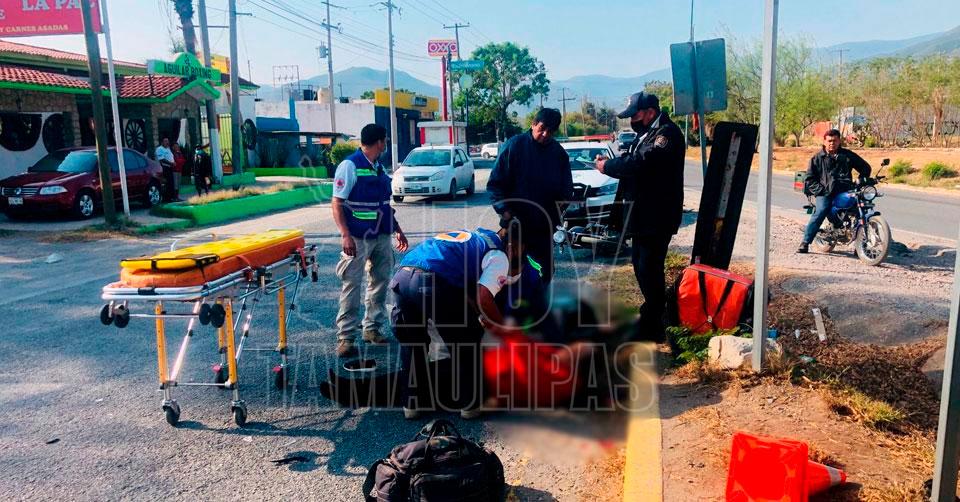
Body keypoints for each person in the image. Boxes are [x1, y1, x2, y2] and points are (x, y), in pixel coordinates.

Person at [390, 222, 542, 420]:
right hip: (433, 280)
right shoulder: (500, 256)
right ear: (515, 247)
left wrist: (481, 315)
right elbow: (484, 297)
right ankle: (471, 405)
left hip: (403, 276)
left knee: (412, 343)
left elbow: (466, 291)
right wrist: (502, 328)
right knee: (466, 342)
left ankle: (412, 404)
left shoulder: (477, 239)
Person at [594, 91, 685, 343]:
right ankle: (652, 319)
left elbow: (640, 164)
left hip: (657, 216)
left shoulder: (666, 135)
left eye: (635, 115)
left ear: (650, 112)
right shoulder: (646, 134)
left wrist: (607, 167)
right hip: (642, 215)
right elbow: (632, 160)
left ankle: (654, 325)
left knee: (649, 269)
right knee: (642, 268)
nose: (631, 120)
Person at [332, 124, 409, 358]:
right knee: (352, 284)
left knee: (380, 282)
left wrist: (397, 229)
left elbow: (384, 205)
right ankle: (346, 338)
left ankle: (372, 329)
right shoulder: (350, 166)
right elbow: (337, 203)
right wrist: (345, 235)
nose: (385, 144)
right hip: (357, 237)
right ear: (379, 142)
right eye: (384, 140)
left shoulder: (378, 167)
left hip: (381, 235)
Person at [487, 107, 572, 284]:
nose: (545, 134)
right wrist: (506, 213)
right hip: (515, 226)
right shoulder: (514, 146)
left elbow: (566, 191)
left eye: (550, 131)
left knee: (543, 272)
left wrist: (556, 212)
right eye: (542, 128)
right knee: (510, 275)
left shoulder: (559, 154)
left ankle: (541, 300)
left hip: (543, 228)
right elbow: (495, 185)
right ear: (533, 124)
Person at [798, 129, 872, 253]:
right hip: (825, 192)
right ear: (824, 142)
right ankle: (805, 242)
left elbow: (865, 168)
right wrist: (821, 190)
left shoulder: (847, 155)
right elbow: (809, 179)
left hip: (845, 190)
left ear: (839, 141)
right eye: (829, 141)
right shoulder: (817, 158)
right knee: (821, 210)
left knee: (860, 208)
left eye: (835, 140)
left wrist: (861, 181)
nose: (832, 143)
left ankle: (860, 245)